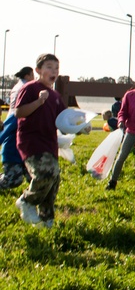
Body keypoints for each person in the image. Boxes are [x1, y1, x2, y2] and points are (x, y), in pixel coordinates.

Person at [13, 53, 86, 227]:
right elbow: (19, 112)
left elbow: (64, 121)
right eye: (49, 67)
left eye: (56, 68)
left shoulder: (55, 96)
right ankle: (26, 201)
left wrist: (82, 126)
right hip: (31, 141)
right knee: (47, 173)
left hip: (49, 143)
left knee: (53, 181)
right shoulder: (31, 88)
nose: (54, 71)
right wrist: (39, 101)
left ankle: (46, 220)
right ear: (38, 70)